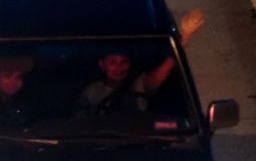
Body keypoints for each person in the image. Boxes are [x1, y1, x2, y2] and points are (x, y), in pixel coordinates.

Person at [76, 9, 206, 114]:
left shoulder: (139, 83)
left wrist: (186, 35)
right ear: (102, 65)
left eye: (123, 62)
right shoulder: (91, 91)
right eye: (113, 62)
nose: (119, 67)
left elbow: (165, 69)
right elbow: (80, 123)